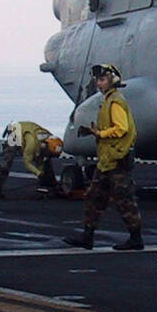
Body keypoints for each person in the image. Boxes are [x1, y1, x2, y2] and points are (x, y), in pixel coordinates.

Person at [65, 62, 143, 251]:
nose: (98, 84)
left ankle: (136, 239)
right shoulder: (109, 100)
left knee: (124, 200)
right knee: (94, 196)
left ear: (112, 80)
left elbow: (121, 128)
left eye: (102, 80)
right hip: (108, 159)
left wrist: (100, 134)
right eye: (98, 80)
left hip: (118, 159)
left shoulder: (115, 101)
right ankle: (87, 236)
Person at [0, 121, 63, 198]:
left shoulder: (49, 140)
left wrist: (42, 172)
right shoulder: (32, 144)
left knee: (47, 162)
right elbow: (27, 162)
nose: (48, 155)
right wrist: (39, 173)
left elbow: (42, 159)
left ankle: (50, 185)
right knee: (7, 161)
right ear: (45, 146)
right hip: (15, 132)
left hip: (27, 132)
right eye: (49, 153)